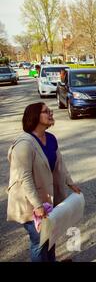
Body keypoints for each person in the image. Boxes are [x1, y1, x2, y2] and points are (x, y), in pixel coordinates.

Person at [6, 102, 81, 262]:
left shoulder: (51, 138)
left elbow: (60, 163)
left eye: (50, 110)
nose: (51, 113)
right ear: (35, 117)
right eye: (46, 111)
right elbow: (24, 177)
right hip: (29, 203)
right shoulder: (24, 144)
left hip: (46, 199)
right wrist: (37, 205)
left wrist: (70, 183)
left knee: (50, 236)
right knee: (39, 242)